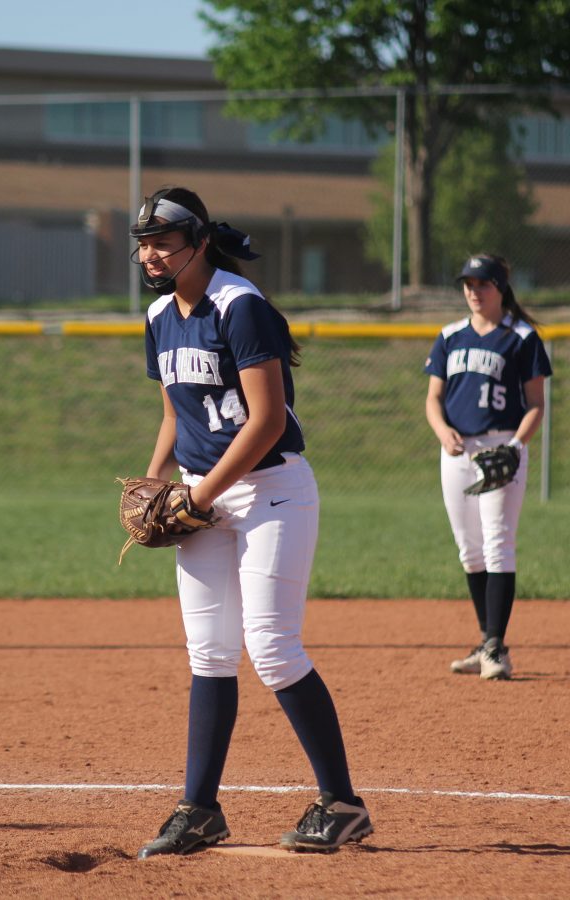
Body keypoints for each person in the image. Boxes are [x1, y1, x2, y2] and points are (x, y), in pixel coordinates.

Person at [130, 186, 372, 858]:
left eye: (164, 241)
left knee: (272, 646)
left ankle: (343, 804)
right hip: (200, 494)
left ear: (199, 241)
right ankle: (199, 810)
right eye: (143, 242)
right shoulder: (158, 315)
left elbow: (265, 422)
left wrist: (200, 494)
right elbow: (175, 415)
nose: (150, 254)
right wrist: (157, 486)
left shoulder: (240, 306)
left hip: (271, 491)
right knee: (208, 653)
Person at [425, 254, 552, 680]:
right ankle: (486, 641)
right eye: (468, 284)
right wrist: (441, 430)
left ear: (500, 287)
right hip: (457, 451)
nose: (473, 291)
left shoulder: (520, 337)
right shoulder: (449, 336)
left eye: (482, 284)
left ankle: (496, 647)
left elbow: (536, 404)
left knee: (498, 542)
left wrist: (516, 446)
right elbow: (432, 399)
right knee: (470, 549)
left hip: (501, 448)